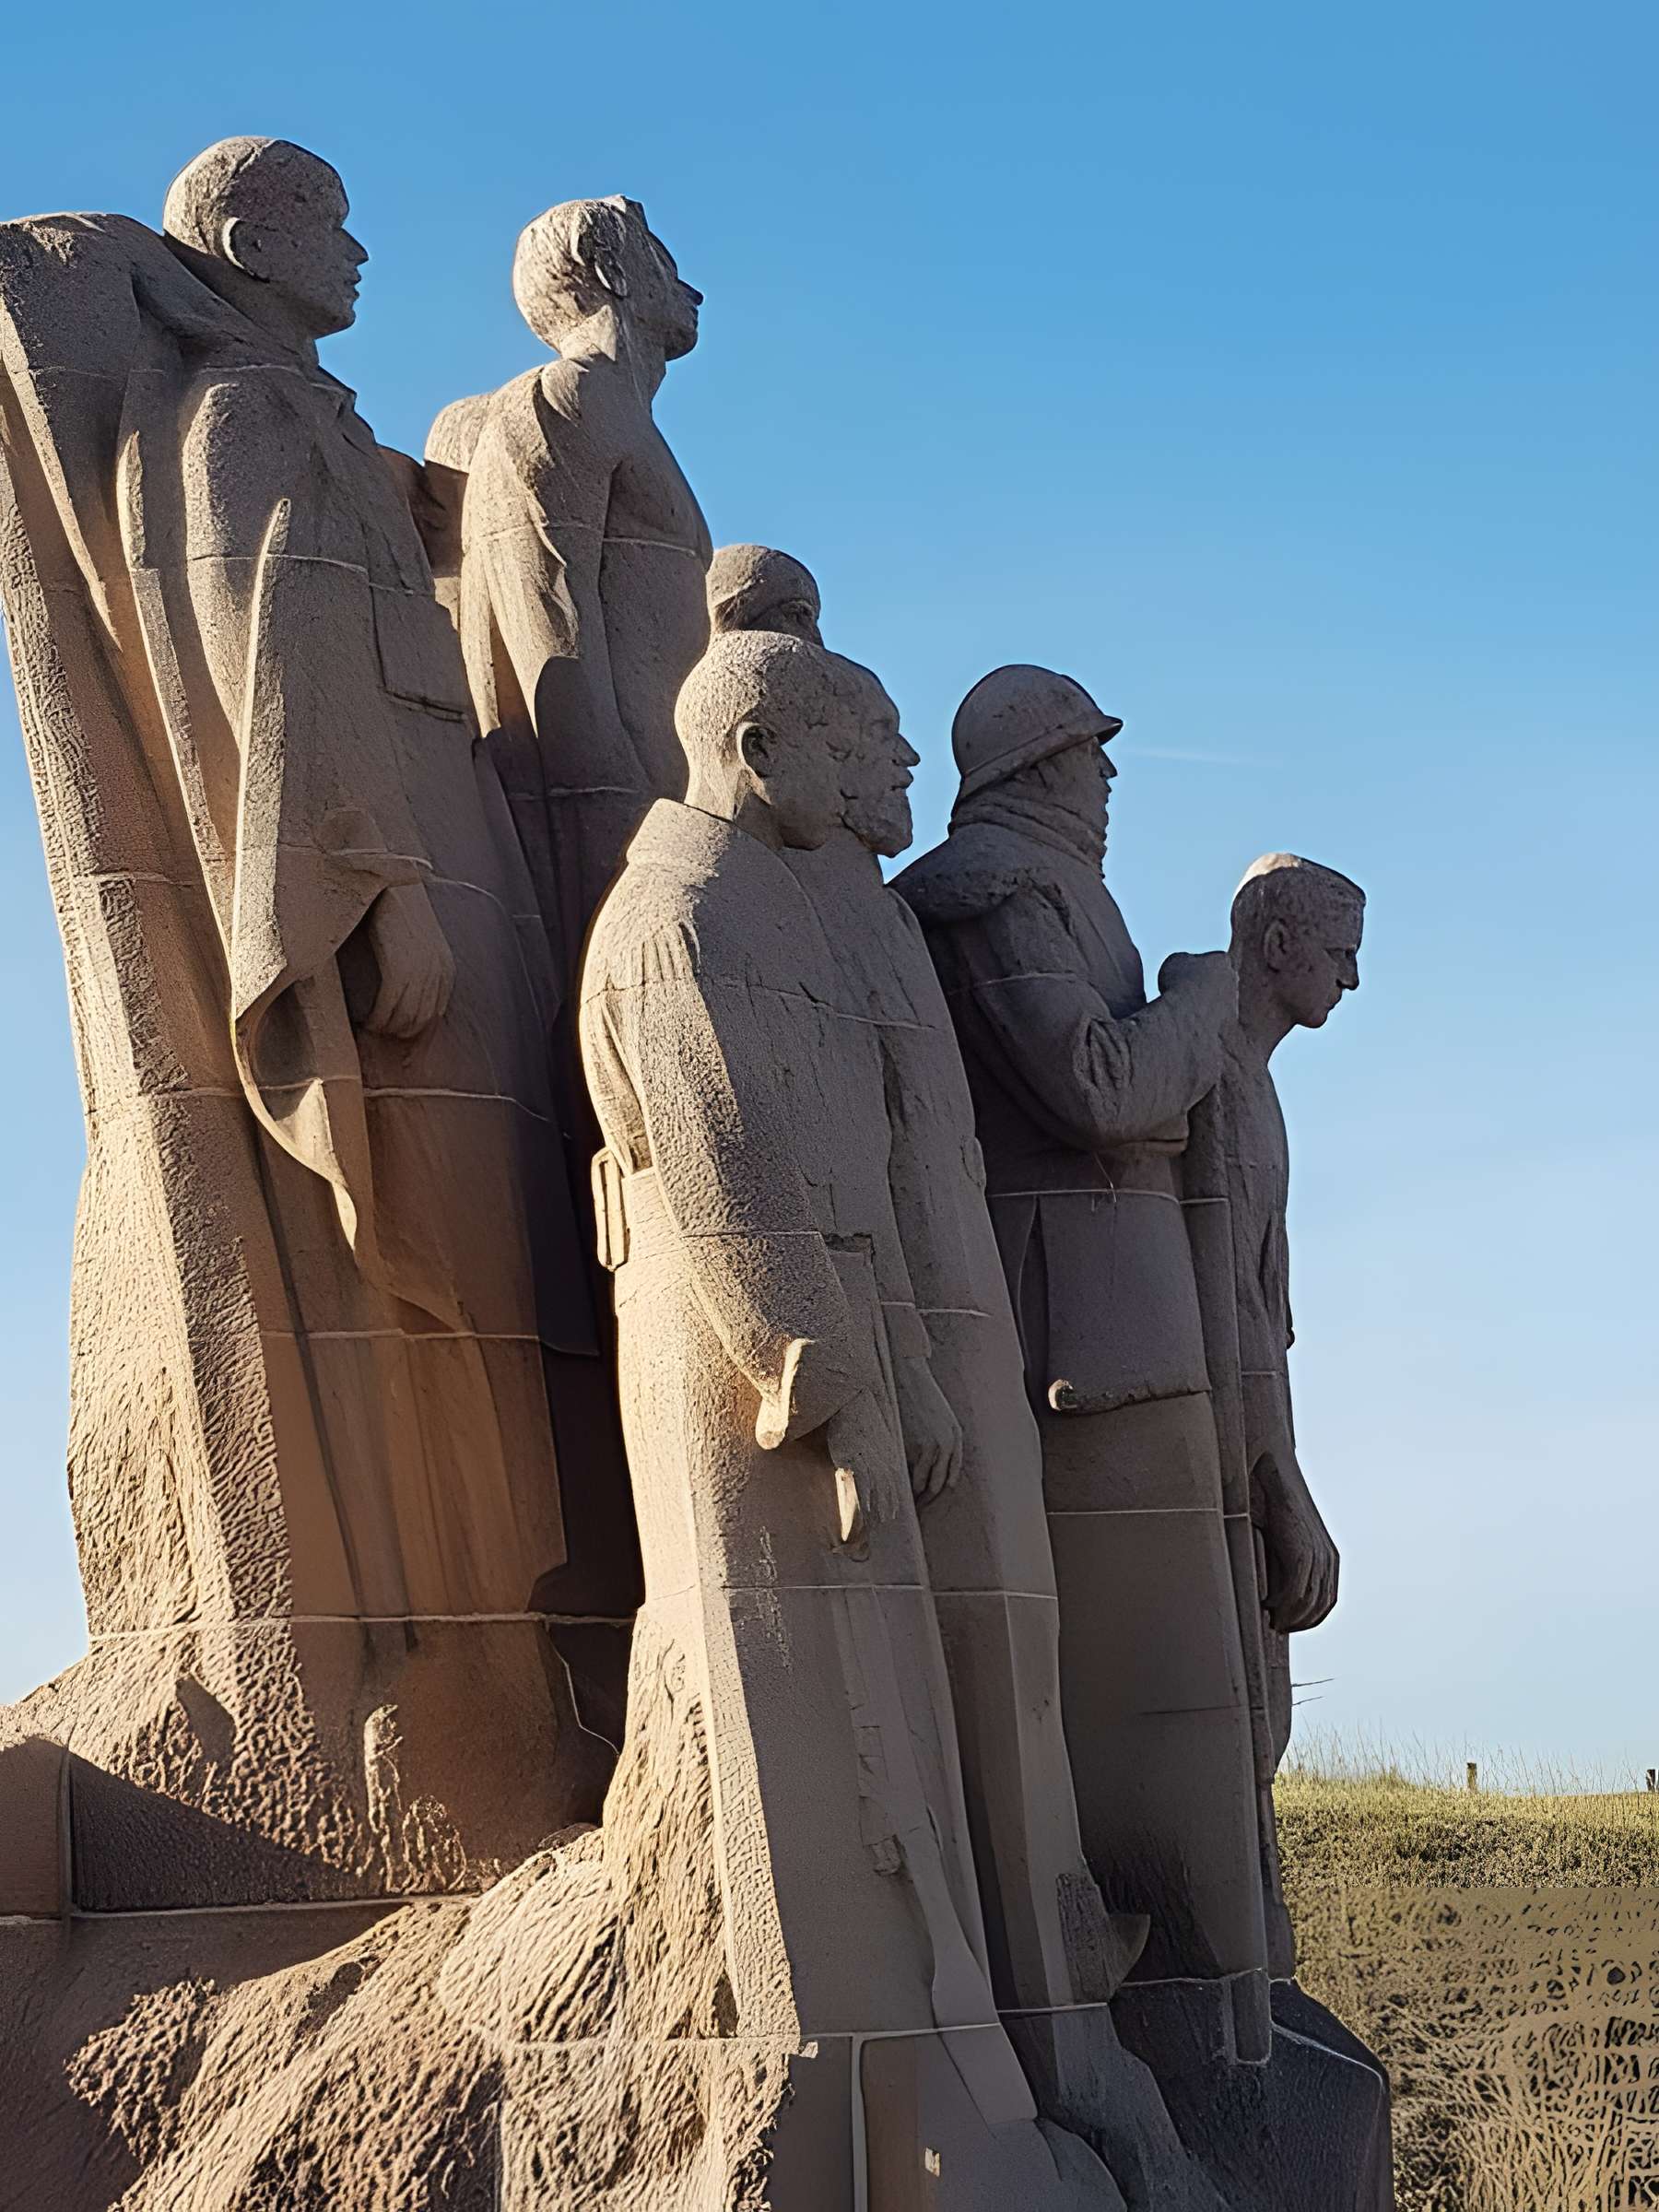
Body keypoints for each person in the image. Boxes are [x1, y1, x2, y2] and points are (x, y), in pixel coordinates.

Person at [0, 138, 605, 1888]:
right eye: (331, 219)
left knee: (501, 1286)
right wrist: (378, 885)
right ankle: (455, 1668)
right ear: (249, 237)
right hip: (393, 890)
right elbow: (272, 662)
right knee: (423, 1263)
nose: (360, 248)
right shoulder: (244, 424)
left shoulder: (299, 412)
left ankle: (522, 1658)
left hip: (453, 857)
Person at [578, 629, 1150, 2203]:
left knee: (876, 1742)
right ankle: (852, 2122)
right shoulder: (678, 917)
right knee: (804, 1737)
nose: (883, 771)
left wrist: (888, 1371)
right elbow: (731, 1193)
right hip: (754, 1395)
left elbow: (832, 1178)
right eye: (860, 743)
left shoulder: (771, 908)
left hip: (832, 1368)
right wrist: (839, 1391)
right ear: (762, 752)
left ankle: (940, 2081)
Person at [895, 667, 1275, 2065]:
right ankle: (1153, 2000)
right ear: (1036, 765)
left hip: (1129, 1322)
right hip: (1078, 1342)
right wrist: (1204, 1008)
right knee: (1142, 1689)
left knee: (1194, 1688)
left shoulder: (1055, 887)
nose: (1110, 784)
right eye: (1092, 760)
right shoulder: (996, 889)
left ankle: (1211, 2003)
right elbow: (1098, 1090)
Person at [444, 195, 712, 989]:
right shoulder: (568, 399)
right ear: (611, 270)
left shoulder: (627, 415)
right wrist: (607, 808)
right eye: (664, 260)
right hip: (616, 804)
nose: (689, 286)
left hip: (670, 784)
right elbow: (547, 623)